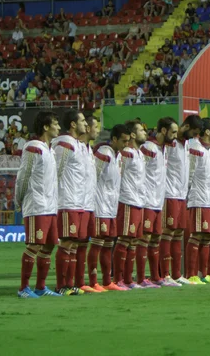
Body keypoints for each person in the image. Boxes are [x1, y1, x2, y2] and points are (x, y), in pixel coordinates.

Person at [15, 111, 61, 298]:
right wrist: (20, 199)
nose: (58, 127)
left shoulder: (49, 150)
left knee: (49, 245)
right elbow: (23, 176)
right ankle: (23, 288)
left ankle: (40, 287)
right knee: (34, 245)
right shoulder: (33, 148)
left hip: (50, 206)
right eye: (55, 123)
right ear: (45, 127)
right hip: (37, 204)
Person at [161, 115, 202, 286]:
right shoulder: (169, 144)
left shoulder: (185, 145)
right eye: (193, 132)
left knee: (178, 233)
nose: (194, 136)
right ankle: (165, 275)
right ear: (185, 126)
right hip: (169, 194)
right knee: (168, 233)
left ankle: (177, 274)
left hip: (181, 195)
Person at [90, 124, 130, 292]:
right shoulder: (104, 153)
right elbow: (93, 176)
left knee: (108, 244)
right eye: (123, 141)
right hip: (100, 206)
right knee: (98, 244)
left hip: (111, 207)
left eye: (128, 141)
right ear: (114, 139)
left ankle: (107, 281)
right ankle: (92, 282)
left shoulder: (117, 156)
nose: (126, 144)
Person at [138, 117, 179, 288]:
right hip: (147, 200)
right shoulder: (148, 148)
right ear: (163, 131)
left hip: (157, 201)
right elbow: (140, 172)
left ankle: (156, 277)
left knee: (155, 238)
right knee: (144, 238)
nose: (176, 136)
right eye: (173, 132)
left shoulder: (163, 149)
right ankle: (140, 279)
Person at [53, 110, 88, 296]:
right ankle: (61, 286)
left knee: (74, 244)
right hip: (67, 200)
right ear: (73, 124)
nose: (86, 124)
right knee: (66, 242)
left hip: (79, 201)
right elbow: (56, 171)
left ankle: (70, 283)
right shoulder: (64, 143)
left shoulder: (79, 145)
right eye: (82, 121)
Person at [114, 120, 148, 289]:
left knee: (134, 241)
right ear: (133, 134)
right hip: (127, 200)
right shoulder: (126, 153)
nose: (145, 133)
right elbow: (118, 174)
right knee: (124, 240)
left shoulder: (140, 153)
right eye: (142, 130)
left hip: (139, 201)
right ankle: (118, 279)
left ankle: (128, 279)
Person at [185, 118, 210, 284]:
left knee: (208, 237)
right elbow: (189, 174)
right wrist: (187, 195)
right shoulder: (195, 149)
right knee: (197, 235)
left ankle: (203, 274)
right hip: (199, 199)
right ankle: (191, 275)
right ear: (206, 132)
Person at [76, 115, 100, 293]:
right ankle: (73, 282)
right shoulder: (73, 147)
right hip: (76, 202)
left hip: (89, 202)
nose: (97, 130)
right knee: (74, 243)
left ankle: (83, 282)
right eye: (95, 126)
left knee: (84, 242)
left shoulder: (88, 149)